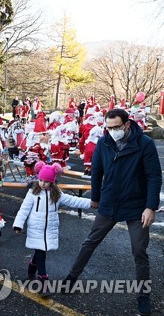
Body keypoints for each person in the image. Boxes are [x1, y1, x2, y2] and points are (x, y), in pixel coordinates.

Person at [65, 108, 161, 316]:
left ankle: (143, 296)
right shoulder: (103, 141)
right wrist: (95, 198)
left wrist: (150, 207)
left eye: (116, 127)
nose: (112, 131)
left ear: (127, 124)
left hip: (137, 206)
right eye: (108, 128)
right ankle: (71, 278)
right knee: (91, 241)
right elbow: (97, 172)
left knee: (139, 251)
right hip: (109, 203)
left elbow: (154, 176)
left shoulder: (144, 144)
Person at [13, 162, 91, 297]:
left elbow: (73, 201)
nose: (43, 183)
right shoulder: (32, 193)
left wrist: (91, 203)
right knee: (41, 254)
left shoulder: (57, 194)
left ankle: (31, 270)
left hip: (49, 229)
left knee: (40, 254)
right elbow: (24, 209)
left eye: (46, 181)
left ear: (52, 182)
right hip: (36, 229)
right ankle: (43, 282)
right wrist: (18, 224)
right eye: (41, 180)